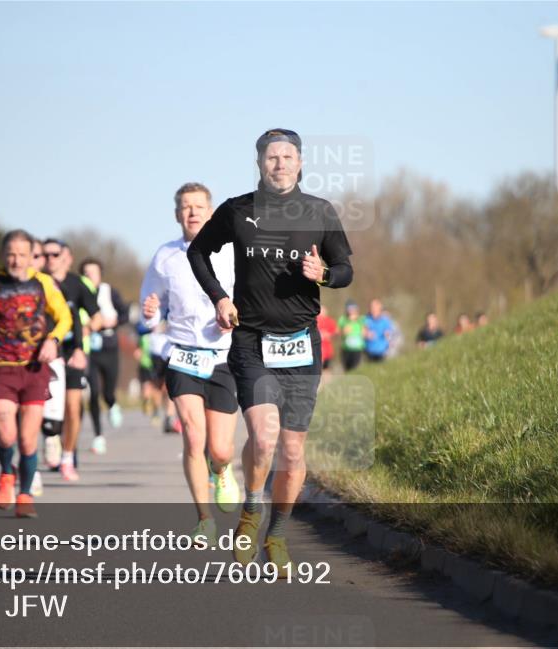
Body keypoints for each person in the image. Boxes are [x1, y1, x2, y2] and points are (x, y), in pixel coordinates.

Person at [188, 128, 353, 567]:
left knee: (293, 450)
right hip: (252, 341)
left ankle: (276, 536)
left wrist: (323, 274)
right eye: (271, 157)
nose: (279, 163)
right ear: (259, 163)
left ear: (300, 163)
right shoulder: (238, 211)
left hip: (302, 344)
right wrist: (220, 298)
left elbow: (345, 270)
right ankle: (250, 511)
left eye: (287, 156)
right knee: (263, 438)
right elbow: (199, 253)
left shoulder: (319, 211)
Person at [141, 182, 241, 540]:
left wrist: (232, 315)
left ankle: (224, 469)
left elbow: (247, 296)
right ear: (176, 214)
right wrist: (151, 313)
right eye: (186, 206)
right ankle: (205, 519)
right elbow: (149, 312)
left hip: (223, 356)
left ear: (211, 213)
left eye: (199, 206)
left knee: (221, 448)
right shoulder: (165, 257)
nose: (193, 212)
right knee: (193, 436)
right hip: (182, 354)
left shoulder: (231, 252)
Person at [0, 229, 72, 518]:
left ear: (31, 257)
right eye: (11, 254)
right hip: (2, 369)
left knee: (27, 439)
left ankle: (24, 494)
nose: (16, 259)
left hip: (35, 369)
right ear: (3, 255)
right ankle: (5, 474)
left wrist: (53, 340)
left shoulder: (43, 284)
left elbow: (64, 317)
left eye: (23, 254)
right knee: (5, 431)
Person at [42, 238, 102, 481]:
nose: (50, 259)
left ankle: (68, 458)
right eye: (45, 255)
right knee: (45, 407)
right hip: (45, 352)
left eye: (55, 254)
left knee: (72, 406)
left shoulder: (77, 285)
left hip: (72, 351)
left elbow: (96, 317)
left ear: (66, 257)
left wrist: (84, 335)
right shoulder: (37, 282)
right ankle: (51, 437)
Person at [80, 258, 129, 455]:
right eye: (86, 273)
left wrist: (113, 322)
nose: (90, 276)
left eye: (93, 272)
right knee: (93, 393)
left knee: (108, 391)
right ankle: (98, 437)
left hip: (109, 347)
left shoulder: (110, 292)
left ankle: (112, 403)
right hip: (89, 349)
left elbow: (126, 313)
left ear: (100, 274)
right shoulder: (79, 292)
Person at [337, 300, 365, 371]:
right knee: (347, 369)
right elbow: (337, 333)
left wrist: (364, 332)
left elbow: (366, 332)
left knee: (355, 369)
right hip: (346, 349)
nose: (351, 310)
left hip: (357, 348)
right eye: (349, 308)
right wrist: (343, 331)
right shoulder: (343, 319)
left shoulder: (361, 319)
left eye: (353, 308)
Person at [317, 305, 338, 381]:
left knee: (326, 369)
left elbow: (336, 332)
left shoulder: (330, 321)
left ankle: (327, 384)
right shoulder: (314, 321)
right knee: (318, 369)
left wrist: (329, 335)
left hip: (328, 350)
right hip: (317, 350)